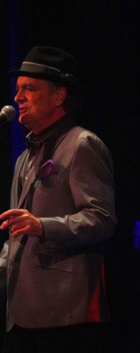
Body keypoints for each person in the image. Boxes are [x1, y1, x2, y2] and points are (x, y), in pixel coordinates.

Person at [0, 46, 117, 352]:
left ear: (59, 96)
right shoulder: (24, 158)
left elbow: (101, 219)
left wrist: (44, 226)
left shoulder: (82, 144)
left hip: (65, 316)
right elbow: (16, 237)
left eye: (29, 89)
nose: (18, 98)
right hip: (22, 315)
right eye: (17, 90)